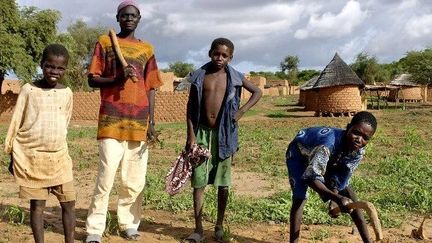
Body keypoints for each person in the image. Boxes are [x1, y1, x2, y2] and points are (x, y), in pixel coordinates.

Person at [84, 1, 163, 242]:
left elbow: (151, 87)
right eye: (124, 15)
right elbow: (92, 80)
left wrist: (151, 122)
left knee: (134, 180)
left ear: (139, 19)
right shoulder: (106, 42)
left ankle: (128, 222)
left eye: (133, 16)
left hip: (138, 122)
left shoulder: (147, 49)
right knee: (105, 177)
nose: (129, 19)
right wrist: (118, 77)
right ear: (117, 18)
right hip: (111, 119)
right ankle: (95, 229)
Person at [185, 37, 262, 243]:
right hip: (201, 134)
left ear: (230, 57)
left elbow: (257, 91)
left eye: (224, 55)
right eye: (216, 53)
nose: (219, 58)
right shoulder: (200, 76)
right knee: (198, 181)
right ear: (210, 53)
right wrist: (190, 136)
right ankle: (198, 229)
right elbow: (191, 108)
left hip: (225, 135)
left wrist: (242, 111)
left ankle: (218, 226)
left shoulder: (235, 77)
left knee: (223, 184)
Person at [4, 44, 75, 243]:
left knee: (69, 203)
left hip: (59, 157)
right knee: (37, 206)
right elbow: (17, 121)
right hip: (32, 157)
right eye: (49, 66)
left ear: (65, 69)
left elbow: (65, 122)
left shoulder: (67, 92)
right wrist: (12, 155)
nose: (54, 71)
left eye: (60, 68)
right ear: (41, 65)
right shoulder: (29, 90)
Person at [286, 111, 378, 243]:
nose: (359, 139)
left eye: (365, 138)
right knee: (300, 198)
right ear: (348, 127)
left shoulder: (358, 151)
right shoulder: (327, 143)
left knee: (350, 193)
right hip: (299, 153)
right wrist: (337, 197)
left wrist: (335, 199)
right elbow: (311, 178)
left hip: (331, 157)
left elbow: (342, 176)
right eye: (356, 133)